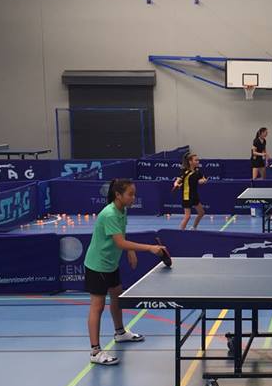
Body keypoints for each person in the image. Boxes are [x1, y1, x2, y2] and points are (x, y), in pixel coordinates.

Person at [83, 178, 168, 366]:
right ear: (118, 195)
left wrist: (130, 250)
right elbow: (119, 242)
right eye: (130, 194)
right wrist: (149, 248)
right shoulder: (110, 213)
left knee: (116, 296)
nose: (133, 197)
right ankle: (95, 351)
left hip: (110, 264)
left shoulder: (122, 210)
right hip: (98, 265)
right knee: (97, 306)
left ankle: (120, 332)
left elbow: (120, 236)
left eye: (134, 193)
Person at [173, 153, 208, 230]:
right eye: (196, 160)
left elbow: (201, 179)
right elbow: (178, 180)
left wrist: (203, 181)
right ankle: (180, 233)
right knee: (187, 216)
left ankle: (194, 227)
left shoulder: (197, 171)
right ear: (190, 161)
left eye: (198, 160)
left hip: (194, 195)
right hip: (187, 196)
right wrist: (176, 184)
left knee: (201, 213)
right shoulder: (185, 171)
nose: (198, 161)